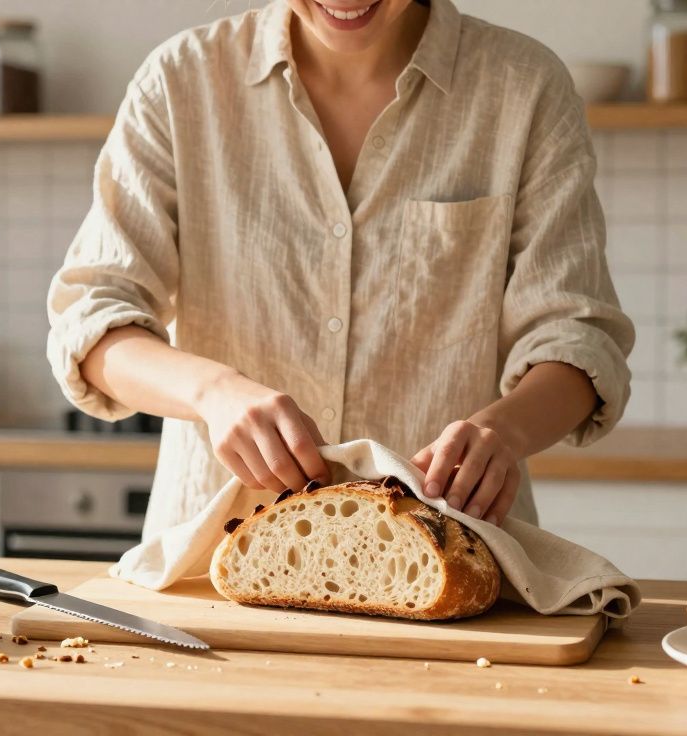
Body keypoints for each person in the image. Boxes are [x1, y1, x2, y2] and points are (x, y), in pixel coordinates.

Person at [47, 0, 633, 538]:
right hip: (212, 568)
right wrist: (213, 391)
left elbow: (579, 341)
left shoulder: (524, 87)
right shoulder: (180, 81)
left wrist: (506, 432)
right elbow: (93, 318)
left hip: (452, 554)